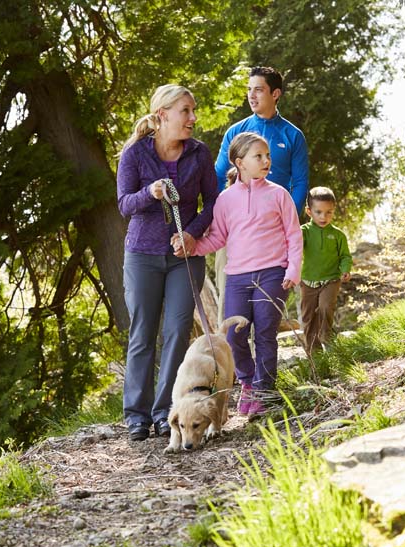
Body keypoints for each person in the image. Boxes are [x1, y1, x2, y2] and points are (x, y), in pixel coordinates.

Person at [174, 132, 303, 419]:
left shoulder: (278, 194)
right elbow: (218, 237)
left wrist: (293, 269)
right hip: (238, 278)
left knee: (266, 333)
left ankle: (264, 390)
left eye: (268, 155)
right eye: (259, 156)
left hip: (273, 273)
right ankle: (246, 381)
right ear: (239, 162)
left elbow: (293, 235)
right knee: (233, 335)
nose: (266, 161)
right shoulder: (225, 200)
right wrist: (192, 248)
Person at [116, 84, 218, 442]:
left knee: (176, 333)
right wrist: (150, 192)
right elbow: (124, 204)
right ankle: (136, 415)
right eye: (185, 111)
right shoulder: (134, 154)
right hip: (142, 255)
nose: (192, 118)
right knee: (142, 333)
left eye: (193, 111)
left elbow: (213, 203)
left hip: (184, 258)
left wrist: (191, 234)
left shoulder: (200, 154)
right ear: (163, 115)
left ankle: (165, 412)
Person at [213, 66, 309, 323]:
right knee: (233, 314)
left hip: (274, 234)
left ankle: (267, 361)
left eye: (258, 90)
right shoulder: (236, 132)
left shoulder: (292, 136)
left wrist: (286, 220)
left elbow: (299, 183)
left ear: (275, 93)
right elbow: (217, 175)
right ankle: (233, 363)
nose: (251, 95)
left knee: (266, 314)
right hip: (236, 232)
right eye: (249, 90)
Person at [299, 187, 352, 355]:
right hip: (308, 281)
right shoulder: (304, 232)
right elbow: (294, 248)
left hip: (331, 280)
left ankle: (326, 336)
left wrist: (345, 270)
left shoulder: (338, 235)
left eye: (329, 212)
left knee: (325, 307)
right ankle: (314, 354)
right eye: (319, 212)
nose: (324, 217)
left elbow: (345, 256)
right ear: (309, 211)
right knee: (308, 317)